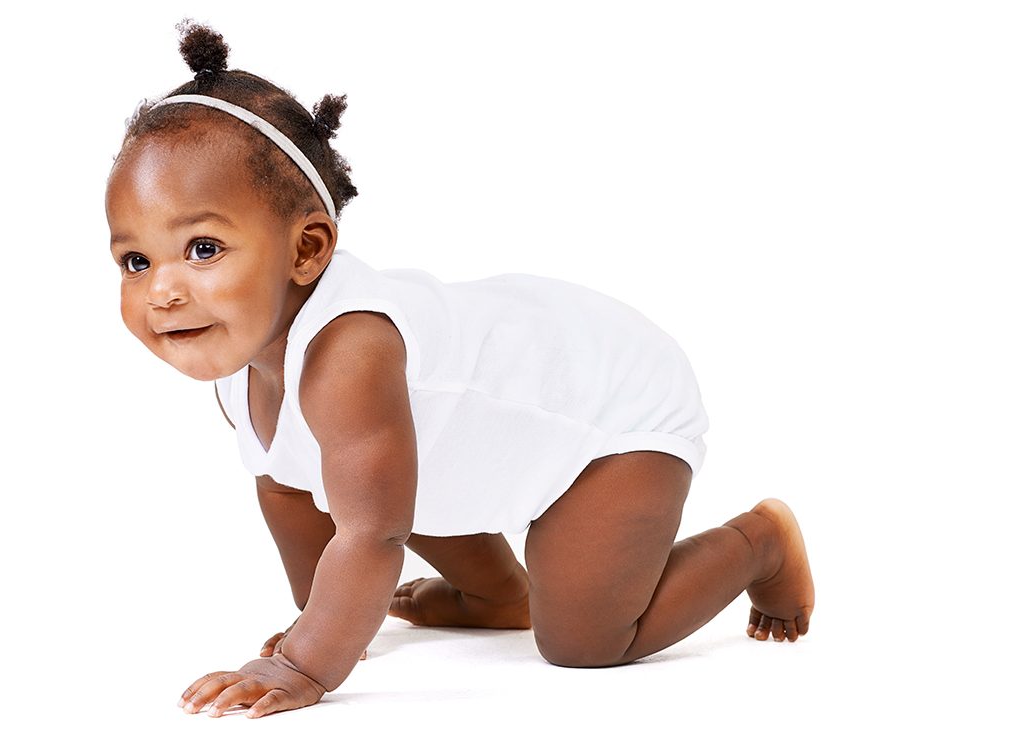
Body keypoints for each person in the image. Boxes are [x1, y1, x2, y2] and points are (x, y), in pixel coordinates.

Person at [104, 20, 815, 720]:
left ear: (307, 249)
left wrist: (305, 661)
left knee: (585, 640)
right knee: (352, 475)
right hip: (492, 429)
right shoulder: (242, 359)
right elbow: (288, 486)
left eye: (202, 248)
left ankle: (757, 542)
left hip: (611, 416)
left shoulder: (349, 352)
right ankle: (497, 596)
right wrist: (321, 613)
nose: (162, 290)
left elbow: (371, 532)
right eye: (136, 260)